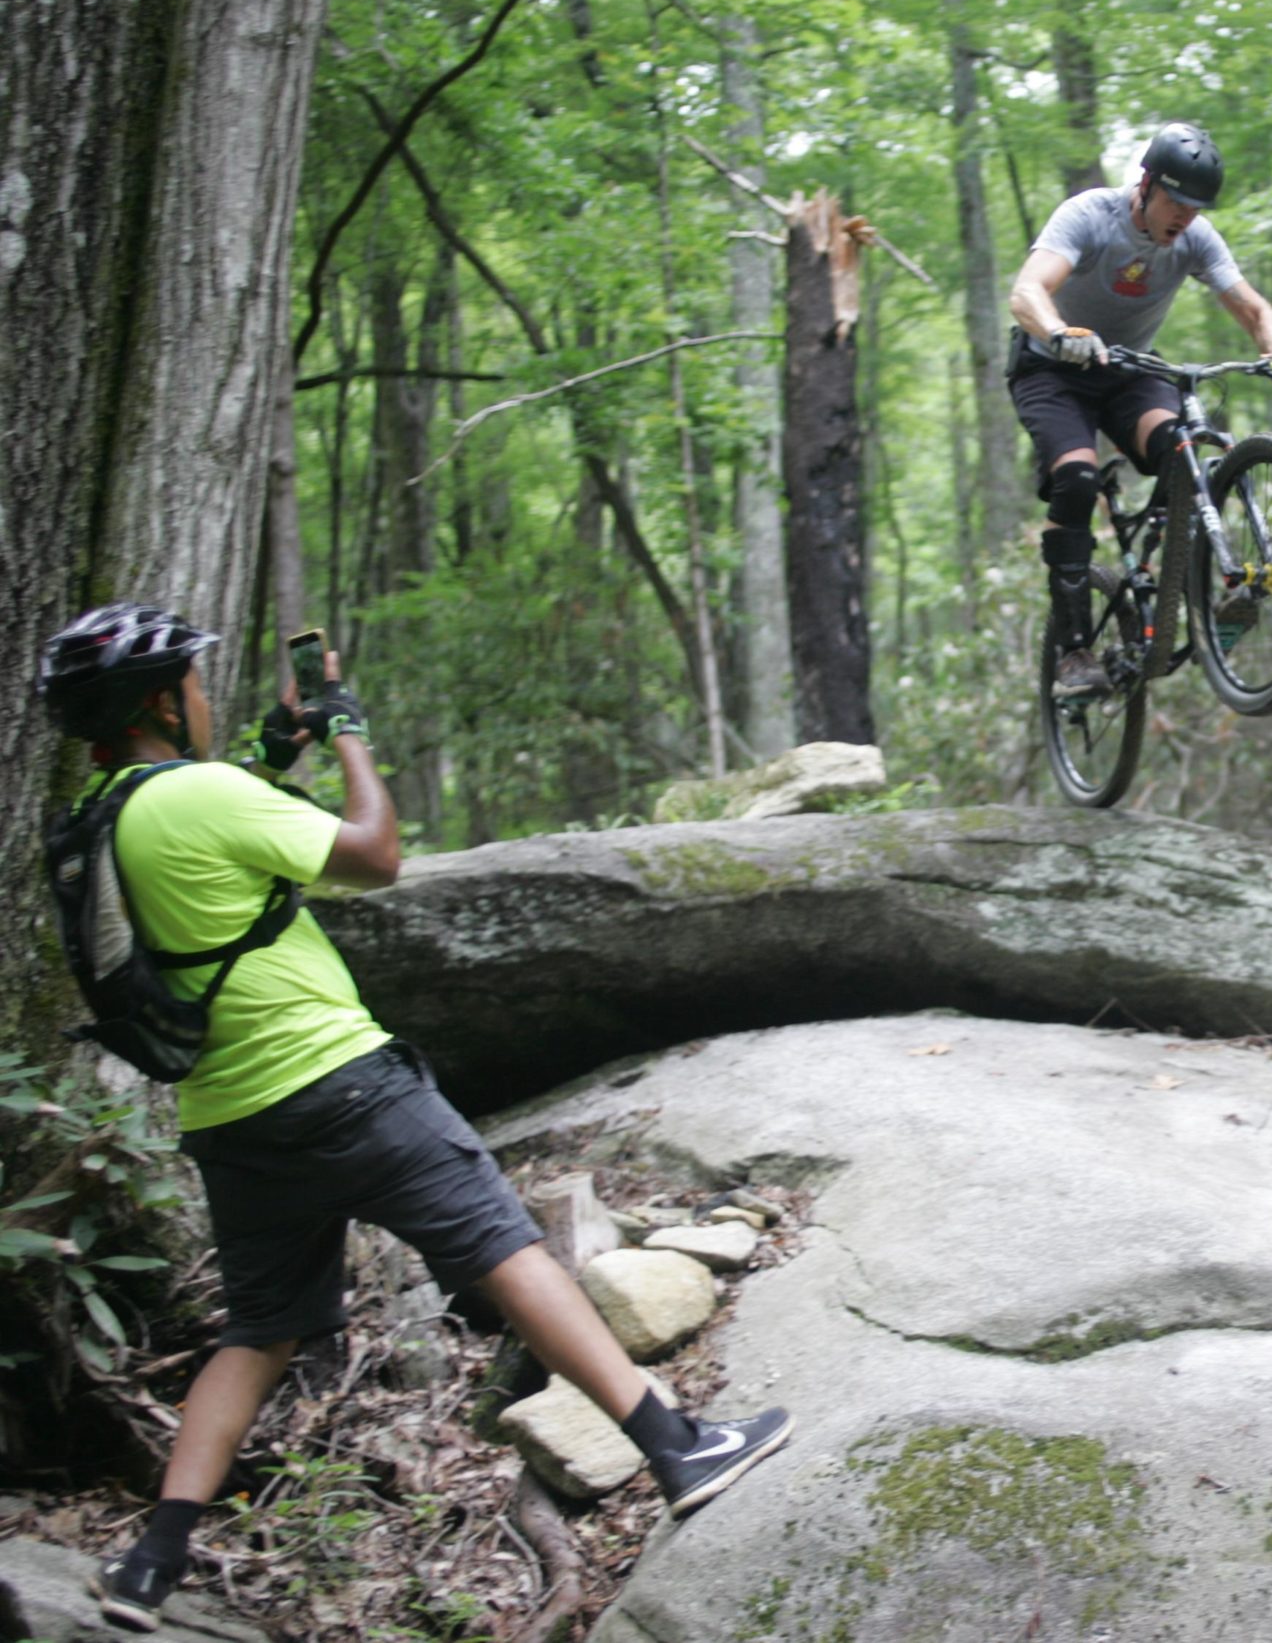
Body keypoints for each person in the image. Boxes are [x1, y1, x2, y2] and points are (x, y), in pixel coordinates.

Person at [35, 603, 792, 1634]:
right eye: (196, 685)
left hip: (228, 1114)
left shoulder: (102, 814)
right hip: (341, 1080)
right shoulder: (201, 793)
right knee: (504, 1245)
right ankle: (676, 1447)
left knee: (257, 1331)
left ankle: (151, 1561)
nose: (207, 700)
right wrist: (348, 731)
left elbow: (223, 849)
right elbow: (374, 853)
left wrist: (280, 740)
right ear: (162, 702)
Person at [1007, 121, 1272, 695]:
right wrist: (1058, 331)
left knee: (1182, 449)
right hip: (1052, 370)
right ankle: (1074, 653)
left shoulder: (1196, 237)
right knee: (1075, 479)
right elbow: (1027, 292)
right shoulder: (1090, 216)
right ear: (1145, 183)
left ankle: (1200, 595)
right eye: (1175, 202)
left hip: (1128, 369)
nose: (1184, 218)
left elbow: (1250, 307)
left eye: (1195, 209)